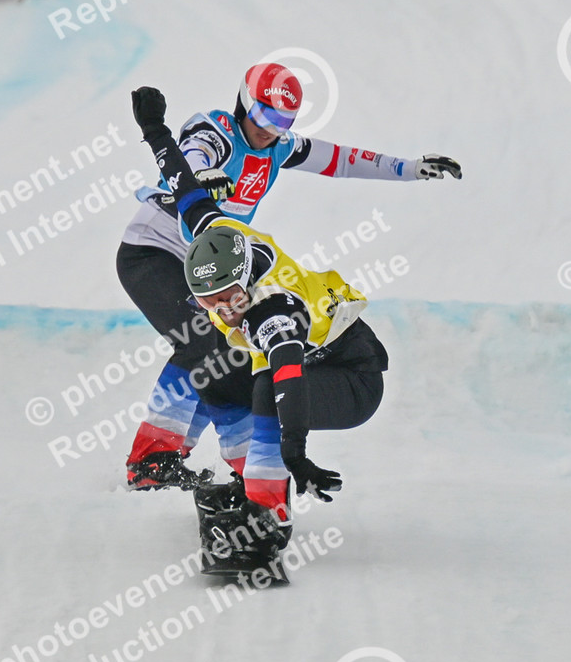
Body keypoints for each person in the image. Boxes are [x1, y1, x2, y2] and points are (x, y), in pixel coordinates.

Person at [118, 62, 458, 489]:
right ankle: (161, 462)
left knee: (229, 357)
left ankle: (185, 456)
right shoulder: (217, 132)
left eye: (282, 122)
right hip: (152, 252)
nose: (269, 130)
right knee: (204, 344)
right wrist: (202, 173)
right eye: (263, 116)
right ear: (243, 104)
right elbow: (190, 157)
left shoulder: (279, 148)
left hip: (213, 271)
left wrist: (409, 168)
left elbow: (342, 160)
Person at [131, 86, 390, 576]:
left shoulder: (270, 310)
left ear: (245, 283)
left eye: (229, 299)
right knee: (212, 369)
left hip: (353, 378)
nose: (223, 311)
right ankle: (252, 483)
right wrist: (154, 129)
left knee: (265, 388)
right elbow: (185, 185)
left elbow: (287, 378)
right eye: (209, 301)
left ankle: (267, 516)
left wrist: (296, 454)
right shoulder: (215, 235)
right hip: (308, 361)